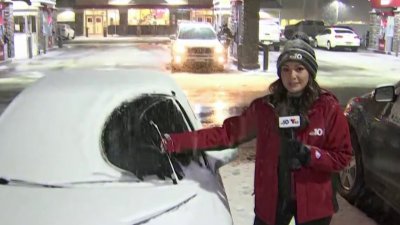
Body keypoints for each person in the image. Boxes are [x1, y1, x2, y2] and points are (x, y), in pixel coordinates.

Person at [159, 36, 352, 225]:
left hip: (315, 205)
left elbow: (343, 157)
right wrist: (175, 142)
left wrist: (311, 155)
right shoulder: (266, 109)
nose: (292, 76)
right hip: (272, 202)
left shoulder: (328, 108)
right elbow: (227, 134)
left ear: (310, 71)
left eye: (299, 69)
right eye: (286, 69)